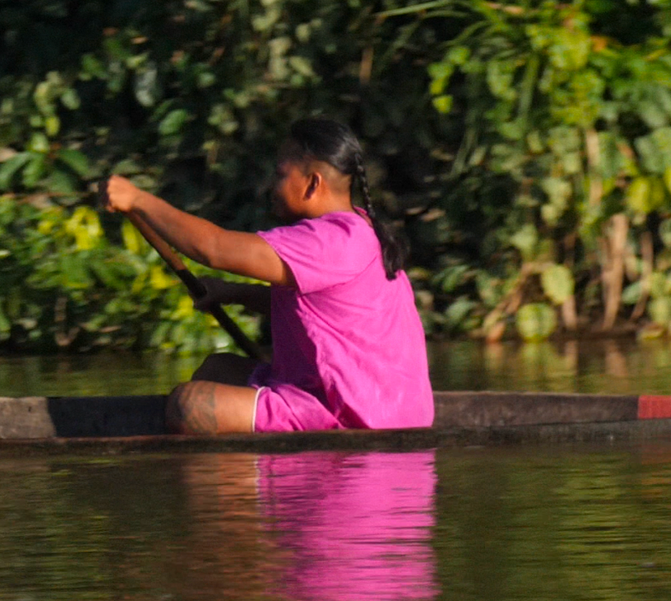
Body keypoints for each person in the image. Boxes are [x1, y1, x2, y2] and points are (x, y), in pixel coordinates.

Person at [100, 117, 434, 435]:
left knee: (190, 406)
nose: (272, 186)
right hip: (385, 406)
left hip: (356, 414)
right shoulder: (359, 228)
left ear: (313, 183)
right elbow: (319, 310)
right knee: (217, 370)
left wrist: (139, 199)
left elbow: (214, 249)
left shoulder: (331, 240)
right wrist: (233, 293)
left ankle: (253, 468)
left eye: (280, 174)